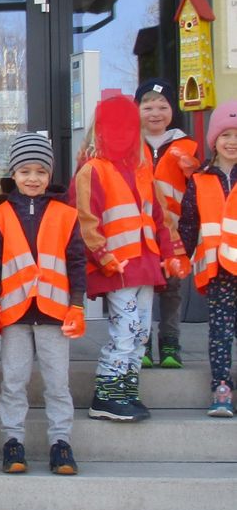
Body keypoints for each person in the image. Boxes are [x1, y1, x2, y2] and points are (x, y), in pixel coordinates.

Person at [0, 133, 86, 475]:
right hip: (15, 314)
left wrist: (77, 305)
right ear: (13, 174)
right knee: (13, 381)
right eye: (25, 171)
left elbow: (76, 261)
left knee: (57, 383)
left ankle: (60, 443)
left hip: (55, 315)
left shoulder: (66, 214)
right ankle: (13, 442)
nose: (33, 178)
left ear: (49, 175)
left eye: (40, 171)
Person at [73, 95, 189, 423]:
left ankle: (125, 390)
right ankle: (107, 395)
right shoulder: (93, 170)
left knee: (139, 334)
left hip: (146, 265)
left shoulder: (141, 170)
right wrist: (102, 257)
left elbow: (161, 218)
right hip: (118, 267)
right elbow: (85, 220)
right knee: (125, 331)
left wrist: (171, 253)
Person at [135, 78, 199, 368]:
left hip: (175, 233)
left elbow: (196, 194)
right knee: (143, 289)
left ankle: (171, 343)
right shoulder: (130, 145)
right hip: (139, 234)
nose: (155, 112)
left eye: (162, 106)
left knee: (172, 290)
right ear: (137, 110)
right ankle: (143, 342)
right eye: (147, 106)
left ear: (172, 110)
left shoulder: (188, 146)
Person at [178, 100, 237, 416]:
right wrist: (183, 256)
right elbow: (189, 221)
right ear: (215, 140)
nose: (232, 142)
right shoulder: (200, 179)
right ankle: (221, 387)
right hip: (218, 270)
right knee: (220, 331)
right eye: (226, 134)